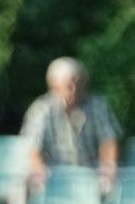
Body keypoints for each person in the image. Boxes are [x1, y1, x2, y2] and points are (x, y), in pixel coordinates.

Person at [21, 57, 122, 195]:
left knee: (111, 186)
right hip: (52, 177)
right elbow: (32, 149)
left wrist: (107, 170)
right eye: (68, 85)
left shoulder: (97, 106)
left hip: (91, 175)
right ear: (54, 86)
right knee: (28, 186)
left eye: (78, 84)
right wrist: (39, 173)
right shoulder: (41, 110)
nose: (74, 89)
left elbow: (108, 142)